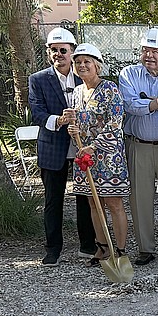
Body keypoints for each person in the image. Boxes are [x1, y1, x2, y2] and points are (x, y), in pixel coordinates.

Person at [28, 26, 96, 265]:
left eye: (63, 50)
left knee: (85, 198)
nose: (58, 54)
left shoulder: (85, 76)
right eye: (54, 50)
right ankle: (53, 249)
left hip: (81, 146)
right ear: (49, 53)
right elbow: (36, 113)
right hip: (53, 146)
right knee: (53, 200)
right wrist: (59, 120)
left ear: (72, 51)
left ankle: (88, 246)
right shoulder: (37, 79)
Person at [118, 27, 158, 266]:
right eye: (146, 50)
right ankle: (146, 248)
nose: (150, 56)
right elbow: (129, 104)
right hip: (140, 146)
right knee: (140, 199)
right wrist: (155, 104)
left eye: (155, 51)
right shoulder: (128, 74)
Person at [66, 44, 130, 264]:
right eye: (78, 62)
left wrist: (95, 146)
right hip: (84, 155)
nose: (82, 66)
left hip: (108, 157)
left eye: (87, 62)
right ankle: (102, 246)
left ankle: (120, 250)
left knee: (113, 203)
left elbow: (115, 123)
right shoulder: (76, 91)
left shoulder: (110, 89)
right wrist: (72, 128)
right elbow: (78, 121)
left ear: (97, 66)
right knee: (93, 203)